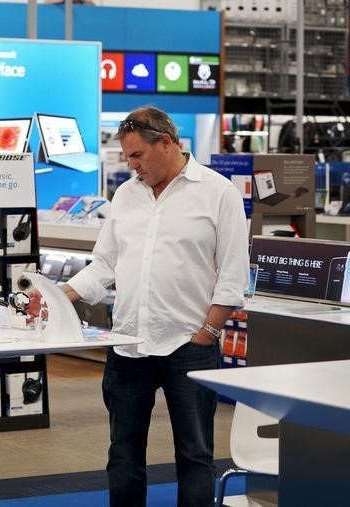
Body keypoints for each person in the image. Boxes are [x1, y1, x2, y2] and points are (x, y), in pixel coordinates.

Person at [62, 106, 249, 506]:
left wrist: (209, 333)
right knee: (123, 454)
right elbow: (104, 263)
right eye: (127, 157)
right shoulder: (127, 195)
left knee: (195, 455)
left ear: (166, 143)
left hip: (190, 346)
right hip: (128, 343)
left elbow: (233, 275)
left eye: (137, 156)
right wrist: (63, 295)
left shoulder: (218, 193)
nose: (131, 166)